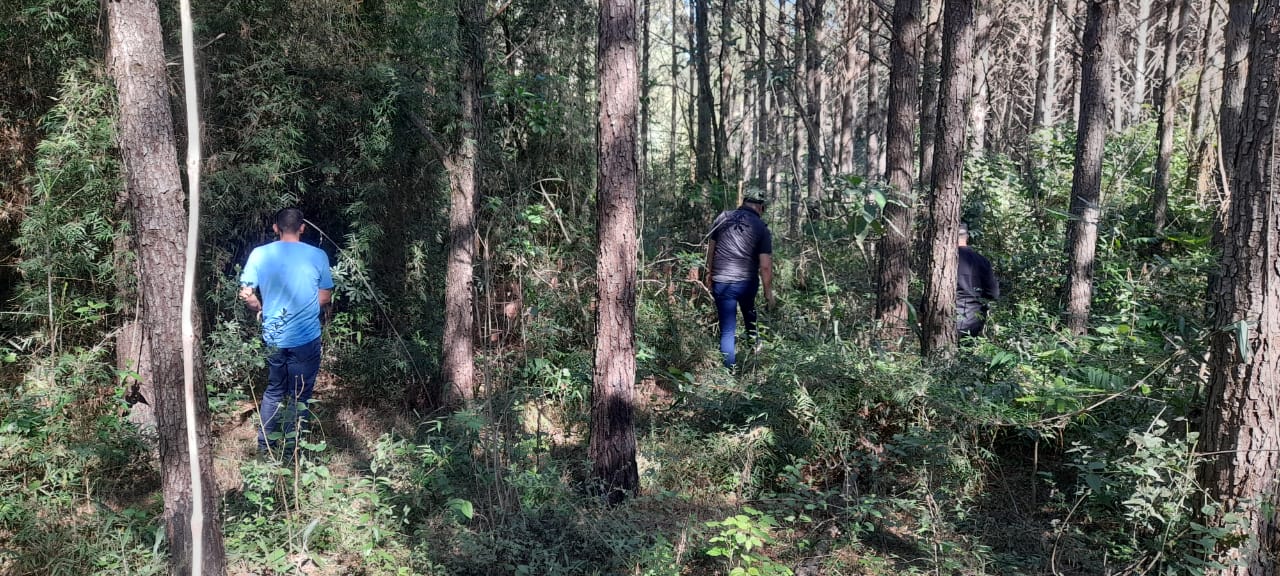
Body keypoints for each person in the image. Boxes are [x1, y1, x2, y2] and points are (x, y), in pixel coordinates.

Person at [239, 208, 334, 455]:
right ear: (302, 228)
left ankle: (265, 447)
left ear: (275, 228)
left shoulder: (259, 254)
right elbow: (324, 297)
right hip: (306, 337)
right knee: (299, 394)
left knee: (273, 391)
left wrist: (259, 309)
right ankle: (293, 448)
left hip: (273, 336)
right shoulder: (318, 255)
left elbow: (246, 293)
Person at [705, 197, 774, 367]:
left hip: (721, 281)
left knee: (727, 331)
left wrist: (708, 274)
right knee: (750, 315)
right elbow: (765, 266)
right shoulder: (761, 228)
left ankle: (729, 372)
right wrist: (768, 293)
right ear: (760, 208)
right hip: (746, 283)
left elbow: (711, 250)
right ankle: (755, 357)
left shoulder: (723, 217)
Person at [956, 222, 999, 338]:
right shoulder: (982, 261)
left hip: (947, 319)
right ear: (967, 237)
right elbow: (994, 294)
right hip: (974, 321)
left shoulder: (943, 260)